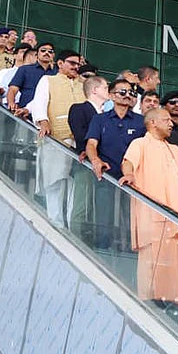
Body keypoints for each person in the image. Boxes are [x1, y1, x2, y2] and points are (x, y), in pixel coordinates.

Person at [119, 108, 178, 307]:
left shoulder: (174, 149)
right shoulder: (140, 143)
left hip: (176, 215)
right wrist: (128, 174)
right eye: (166, 120)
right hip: (152, 212)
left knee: (174, 261)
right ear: (152, 122)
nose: (172, 123)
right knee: (152, 259)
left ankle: (169, 301)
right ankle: (151, 299)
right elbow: (127, 162)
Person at [29, 50, 86, 227]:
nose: (76, 67)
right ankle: (56, 222)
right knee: (55, 180)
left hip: (81, 141)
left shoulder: (84, 84)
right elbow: (39, 102)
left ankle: (72, 224)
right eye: (72, 63)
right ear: (60, 64)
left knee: (76, 184)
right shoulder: (48, 80)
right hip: (57, 137)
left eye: (78, 64)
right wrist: (43, 121)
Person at [86, 80, 144, 249]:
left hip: (133, 178)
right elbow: (91, 144)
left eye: (131, 93)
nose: (127, 96)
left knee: (131, 220)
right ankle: (102, 252)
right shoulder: (99, 119)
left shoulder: (141, 122)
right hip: (107, 174)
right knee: (104, 217)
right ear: (111, 95)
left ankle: (129, 253)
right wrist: (95, 160)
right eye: (122, 92)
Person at [68, 76, 109, 242]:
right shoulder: (79, 109)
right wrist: (90, 151)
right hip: (85, 163)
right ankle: (76, 241)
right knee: (82, 204)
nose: (108, 91)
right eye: (105, 87)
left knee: (97, 207)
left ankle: (93, 241)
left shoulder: (107, 114)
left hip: (105, 165)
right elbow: (80, 134)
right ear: (94, 90)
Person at [7, 42, 57, 113]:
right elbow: (13, 89)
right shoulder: (24, 69)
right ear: (37, 54)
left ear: (53, 55)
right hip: (25, 112)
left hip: (49, 112)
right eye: (43, 50)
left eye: (50, 51)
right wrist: (11, 103)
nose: (46, 53)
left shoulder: (56, 73)